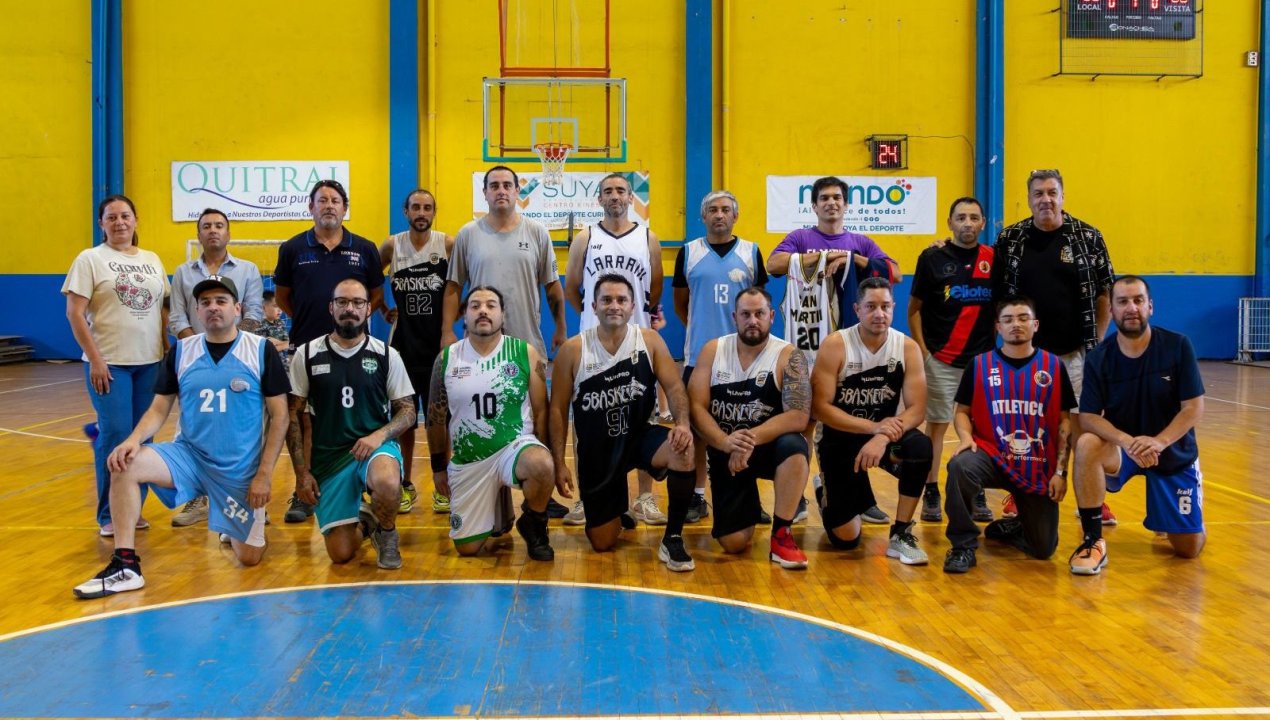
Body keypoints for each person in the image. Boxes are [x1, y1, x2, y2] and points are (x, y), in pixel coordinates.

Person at [73, 276, 289, 598]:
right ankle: (125, 565)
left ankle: (230, 528)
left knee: (250, 557)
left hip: (238, 471)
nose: (213, 308)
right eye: (205, 303)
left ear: (237, 308)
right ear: (196, 312)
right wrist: (133, 440)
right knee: (125, 463)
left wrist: (264, 475)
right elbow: (159, 408)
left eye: (221, 301)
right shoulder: (182, 351)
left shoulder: (259, 350)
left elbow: (280, 416)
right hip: (190, 457)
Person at [769, 176, 899, 525]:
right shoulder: (801, 238)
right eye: (824, 198)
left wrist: (853, 260)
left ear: (846, 204)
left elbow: (895, 274)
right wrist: (820, 258)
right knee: (803, 424)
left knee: (849, 424)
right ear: (814, 205)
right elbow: (774, 264)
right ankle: (796, 496)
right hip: (808, 345)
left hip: (849, 349)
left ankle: (853, 495)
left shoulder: (859, 242)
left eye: (837, 197)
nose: (831, 202)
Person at [993, 169, 1116, 524]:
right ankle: (1019, 493)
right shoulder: (1011, 238)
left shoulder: (1088, 236)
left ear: (1062, 196)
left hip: (1075, 352)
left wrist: (1097, 342)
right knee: (1024, 427)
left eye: (1051, 192)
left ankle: (1092, 498)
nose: (1045, 199)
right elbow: (995, 290)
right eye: (1038, 193)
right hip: (1024, 356)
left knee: (1082, 429)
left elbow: (1105, 291)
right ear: (1029, 199)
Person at [550, 274, 697, 570]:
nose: (614, 306)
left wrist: (682, 423)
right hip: (598, 452)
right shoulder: (574, 350)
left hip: (638, 438)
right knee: (602, 543)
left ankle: (672, 538)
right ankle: (617, 510)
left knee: (683, 448)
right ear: (594, 307)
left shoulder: (649, 341)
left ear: (632, 307)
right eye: (606, 300)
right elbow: (557, 410)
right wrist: (559, 463)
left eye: (621, 300)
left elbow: (674, 387)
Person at [1069, 276, 1206, 575]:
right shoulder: (1099, 357)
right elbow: (1088, 417)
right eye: (1122, 302)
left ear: (1150, 307)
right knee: (1087, 443)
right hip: (1125, 450)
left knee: (1188, 550)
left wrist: (1159, 441)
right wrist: (1125, 440)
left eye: (1138, 300)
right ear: (1112, 310)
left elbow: (1193, 408)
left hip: (1171, 450)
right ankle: (1092, 540)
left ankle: (1175, 515)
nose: (1131, 308)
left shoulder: (1177, 346)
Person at [273, 180, 385, 523]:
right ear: (311, 207)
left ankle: (360, 484)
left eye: (335, 200)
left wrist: (349, 321)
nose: (329, 206)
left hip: (353, 348)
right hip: (307, 347)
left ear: (345, 208)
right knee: (304, 420)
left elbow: (376, 294)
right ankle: (304, 490)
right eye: (322, 200)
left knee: (355, 417)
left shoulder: (364, 248)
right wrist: (311, 319)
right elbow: (282, 297)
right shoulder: (293, 248)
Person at [285, 279, 414, 570]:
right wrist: (302, 474)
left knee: (387, 481)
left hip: (374, 448)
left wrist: (379, 435)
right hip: (329, 458)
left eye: (357, 303)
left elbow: (407, 411)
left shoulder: (386, 354)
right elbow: (292, 415)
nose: (349, 309)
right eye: (342, 302)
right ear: (331, 308)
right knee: (340, 553)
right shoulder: (307, 354)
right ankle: (367, 522)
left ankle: (387, 533)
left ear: (368, 309)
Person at [563, 173, 667, 526]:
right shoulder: (585, 237)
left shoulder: (649, 238)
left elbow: (654, 288)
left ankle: (645, 497)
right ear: (599, 199)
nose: (615, 196)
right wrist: (593, 318)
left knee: (644, 415)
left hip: (635, 340)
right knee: (586, 423)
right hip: (592, 341)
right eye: (607, 191)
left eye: (621, 190)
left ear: (630, 198)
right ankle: (585, 497)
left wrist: (638, 317)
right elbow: (572, 288)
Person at [426, 286, 561, 561]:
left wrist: (549, 460)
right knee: (467, 550)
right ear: (465, 316)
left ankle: (534, 523)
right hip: (470, 460)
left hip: (513, 449)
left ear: (503, 314)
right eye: (475, 306)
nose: (483, 311)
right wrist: (439, 468)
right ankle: (499, 513)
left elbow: (541, 411)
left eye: (491, 305)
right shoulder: (447, 358)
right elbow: (435, 418)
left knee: (540, 464)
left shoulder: (524, 352)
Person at [63, 195, 170, 536]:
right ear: (102, 224)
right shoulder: (90, 259)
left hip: (150, 363)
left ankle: (132, 508)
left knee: (143, 438)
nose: (119, 222)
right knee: (115, 435)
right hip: (110, 366)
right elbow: (75, 313)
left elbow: (161, 308)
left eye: (125, 216)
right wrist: (96, 359)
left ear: (135, 220)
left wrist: (165, 346)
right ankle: (110, 514)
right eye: (112, 217)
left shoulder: (152, 259)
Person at [942, 295, 1074, 573]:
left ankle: (1016, 526)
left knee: (1043, 549)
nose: (1016, 324)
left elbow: (1065, 423)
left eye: (1023, 318)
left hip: (1036, 463)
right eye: (1008, 319)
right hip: (991, 456)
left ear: (1035, 325)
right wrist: (966, 438)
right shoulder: (979, 364)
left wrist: (1061, 472)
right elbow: (962, 411)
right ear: (998, 327)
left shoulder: (1053, 366)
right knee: (960, 466)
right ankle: (963, 546)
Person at [810, 278, 932, 565]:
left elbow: (917, 410)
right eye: (871, 307)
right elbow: (820, 407)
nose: (879, 314)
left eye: (885, 306)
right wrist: (872, 428)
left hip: (886, 440)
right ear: (857, 309)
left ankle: (901, 533)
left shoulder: (907, 347)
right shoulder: (836, 345)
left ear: (893, 308)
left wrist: (881, 436)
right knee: (846, 539)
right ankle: (825, 489)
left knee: (919, 448)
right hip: (840, 438)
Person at [688, 287, 811, 569]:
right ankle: (749, 506)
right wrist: (724, 442)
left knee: (795, 445)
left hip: (766, 448)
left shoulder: (788, 355)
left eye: (759, 314)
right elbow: (696, 407)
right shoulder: (713, 350)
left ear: (771, 316)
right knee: (733, 544)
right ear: (735, 317)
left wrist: (748, 440)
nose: (752, 320)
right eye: (745, 314)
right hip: (726, 450)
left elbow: (798, 416)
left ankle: (782, 535)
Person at [673, 190, 768, 524]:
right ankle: (698, 496)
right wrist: (702, 331)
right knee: (699, 431)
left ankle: (748, 498)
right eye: (712, 209)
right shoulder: (689, 252)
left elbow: (759, 303)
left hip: (745, 358)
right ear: (703, 216)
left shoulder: (751, 252)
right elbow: (681, 303)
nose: (719, 215)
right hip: (699, 357)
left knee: (746, 427)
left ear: (735, 216)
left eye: (726, 209)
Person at [167, 207, 266, 529]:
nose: (213, 230)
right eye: (206, 225)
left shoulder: (248, 270)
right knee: (190, 427)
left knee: (244, 434)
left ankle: (246, 500)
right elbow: (177, 316)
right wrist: (198, 349)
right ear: (198, 234)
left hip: (239, 360)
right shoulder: (183, 272)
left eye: (219, 225)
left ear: (228, 232)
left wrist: (231, 345)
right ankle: (197, 498)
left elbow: (253, 312)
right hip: (195, 362)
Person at [908, 197, 997, 523]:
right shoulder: (932, 258)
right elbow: (914, 310)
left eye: (974, 217)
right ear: (950, 223)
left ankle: (976, 488)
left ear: (983, 223)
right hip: (942, 360)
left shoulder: (994, 259)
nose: (967, 223)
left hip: (981, 364)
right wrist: (924, 352)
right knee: (936, 427)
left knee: (981, 429)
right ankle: (931, 490)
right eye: (961, 217)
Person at [441, 166, 566, 357]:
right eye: (494, 186)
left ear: (517, 191)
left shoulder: (537, 232)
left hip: (526, 342)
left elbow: (552, 285)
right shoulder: (467, 234)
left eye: (507, 185)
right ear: (485, 193)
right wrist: (447, 331)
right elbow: (454, 286)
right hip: (479, 344)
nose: (501, 191)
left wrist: (561, 328)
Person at [380, 188, 453, 515]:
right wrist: (382, 307)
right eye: (415, 207)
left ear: (434, 212)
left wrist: (457, 316)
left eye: (427, 207)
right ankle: (405, 484)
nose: (421, 213)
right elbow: (368, 280)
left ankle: (443, 487)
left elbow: (461, 284)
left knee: (441, 420)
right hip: (403, 347)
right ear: (405, 211)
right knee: (404, 421)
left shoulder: (447, 244)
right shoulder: (392, 246)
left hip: (437, 346)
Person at [257, 290, 291, 360]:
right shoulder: (259, 325)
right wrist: (285, 344)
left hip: (284, 362)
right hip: (269, 364)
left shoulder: (281, 323)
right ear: (264, 308)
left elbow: (291, 346)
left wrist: (281, 344)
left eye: (280, 306)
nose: (280, 310)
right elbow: (266, 350)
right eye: (275, 306)